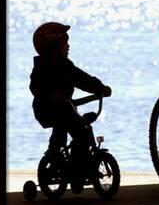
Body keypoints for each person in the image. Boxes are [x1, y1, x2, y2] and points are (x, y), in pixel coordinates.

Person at [29, 22, 111, 173]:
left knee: (77, 129)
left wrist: (99, 87)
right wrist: (52, 94)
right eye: (65, 43)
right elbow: (36, 86)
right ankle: (69, 165)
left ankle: (74, 163)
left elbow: (82, 79)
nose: (68, 47)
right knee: (76, 131)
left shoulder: (65, 66)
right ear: (53, 47)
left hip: (65, 108)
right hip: (46, 109)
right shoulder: (41, 68)